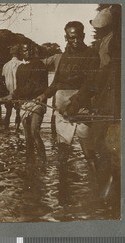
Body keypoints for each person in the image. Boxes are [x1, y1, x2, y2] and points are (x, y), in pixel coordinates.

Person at [65, 6, 121, 197]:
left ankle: (106, 194)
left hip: (110, 101)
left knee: (102, 146)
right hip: (105, 98)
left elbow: (100, 75)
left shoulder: (113, 44)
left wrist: (79, 99)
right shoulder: (108, 41)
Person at [36, 21, 100, 164]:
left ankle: (97, 183)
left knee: (88, 149)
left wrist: (73, 106)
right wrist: (44, 95)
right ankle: (63, 184)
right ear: (66, 37)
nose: (75, 41)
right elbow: (56, 82)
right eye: (71, 38)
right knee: (63, 150)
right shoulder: (64, 56)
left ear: (83, 35)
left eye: (78, 37)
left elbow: (89, 84)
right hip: (62, 105)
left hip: (82, 104)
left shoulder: (91, 54)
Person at [0, 43, 48, 161]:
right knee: (27, 136)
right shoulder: (20, 68)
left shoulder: (39, 65)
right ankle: (30, 161)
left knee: (35, 132)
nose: (28, 53)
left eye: (29, 50)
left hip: (37, 103)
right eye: (25, 51)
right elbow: (20, 87)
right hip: (24, 103)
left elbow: (34, 86)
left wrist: (11, 96)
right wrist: (7, 97)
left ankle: (43, 161)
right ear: (21, 53)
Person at [1, 44, 24, 130]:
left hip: (8, 92)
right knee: (18, 112)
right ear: (19, 53)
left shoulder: (5, 65)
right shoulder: (22, 64)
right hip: (19, 92)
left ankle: (6, 128)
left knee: (8, 112)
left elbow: (3, 79)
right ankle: (16, 129)